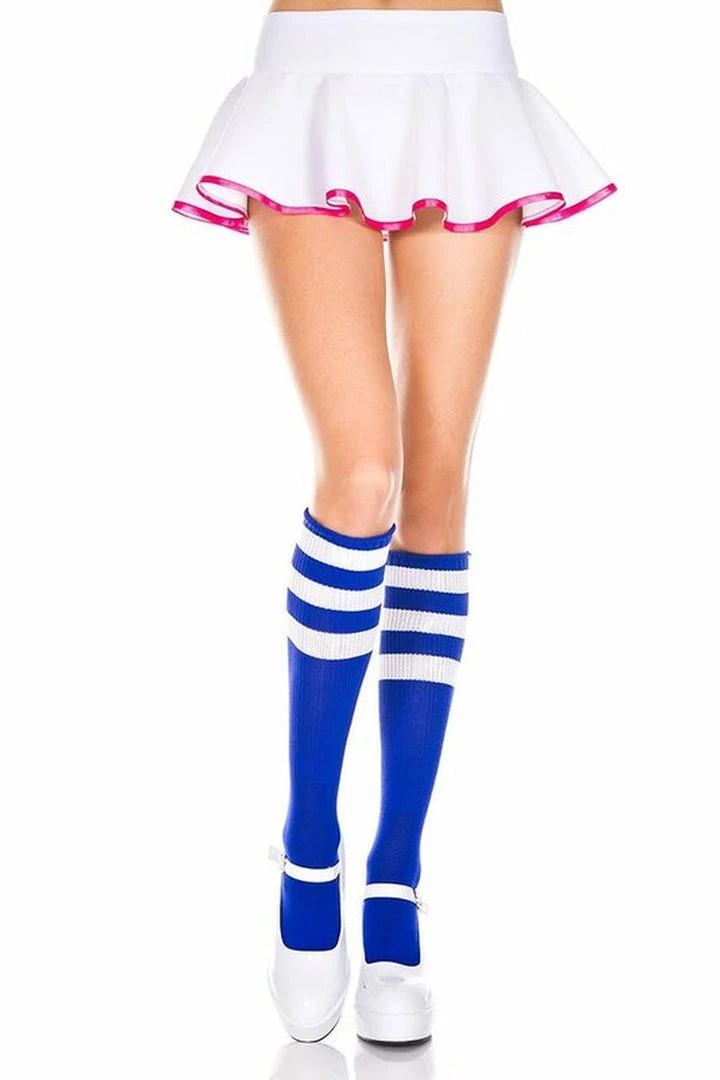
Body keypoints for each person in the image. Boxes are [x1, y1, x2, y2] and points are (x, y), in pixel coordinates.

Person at [172, 0, 616, 1046]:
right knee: (362, 471)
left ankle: (396, 877)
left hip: (462, 71)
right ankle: (308, 847)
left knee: (433, 488)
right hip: (312, 73)